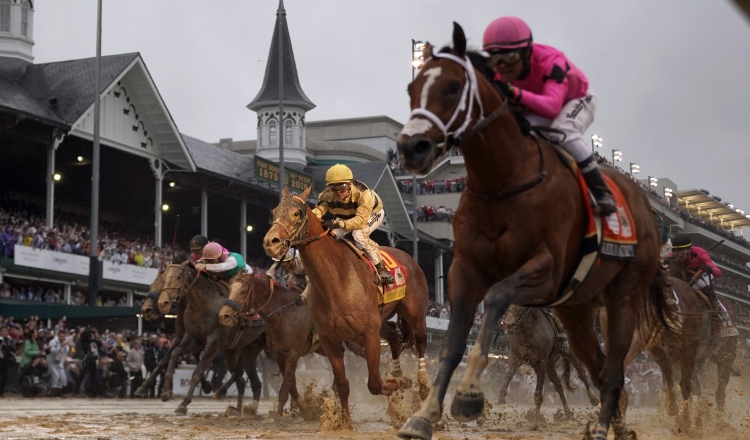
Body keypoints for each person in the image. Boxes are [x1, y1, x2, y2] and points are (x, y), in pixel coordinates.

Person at [482, 16, 615, 215]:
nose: (503, 66)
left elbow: (552, 107)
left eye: (510, 57)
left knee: (562, 130)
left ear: (527, 51)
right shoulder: (499, 72)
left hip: (577, 99)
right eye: (495, 58)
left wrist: (513, 92)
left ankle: (601, 191)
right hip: (539, 103)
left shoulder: (551, 62)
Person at [312, 164, 395, 285]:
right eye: (333, 189)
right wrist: (310, 216)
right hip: (347, 214)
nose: (338, 192)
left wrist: (337, 223)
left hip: (371, 214)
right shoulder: (327, 195)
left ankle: (382, 269)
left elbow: (360, 221)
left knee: (358, 235)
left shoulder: (363, 193)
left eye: (342, 187)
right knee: (329, 236)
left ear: (350, 184)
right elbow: (319, 211)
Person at [670, 235, 722, 316]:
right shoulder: (670, 255)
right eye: (675, 254)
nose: (677, 257)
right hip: (683, 273)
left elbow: (718, 273)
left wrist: (711, 269)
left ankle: (718, 310)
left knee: (702, 285)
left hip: (702, 271)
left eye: (680, 254)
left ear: (688, 251)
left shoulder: (699, 252)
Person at [45, 329, 71, 396]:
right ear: (58, 335)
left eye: (64, 336)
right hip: (51, 361)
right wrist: (60, 346)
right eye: (61, 336)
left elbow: (66, 352)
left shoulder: (65, 344)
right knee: (55, 376)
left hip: (59, 363)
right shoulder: (53, 341)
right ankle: (52, 392)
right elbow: (53, 351)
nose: (63, 338)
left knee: (63, 379)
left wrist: (65, 345)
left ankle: (58, 392)